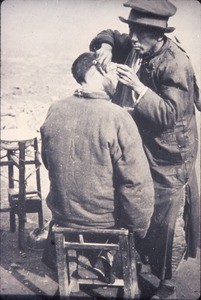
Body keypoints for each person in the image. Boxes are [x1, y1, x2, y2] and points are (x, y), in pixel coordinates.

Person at [89, 0, 200, 299]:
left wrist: (139, 88)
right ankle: (128, 258)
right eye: (132, 30)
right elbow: (111, 33)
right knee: (130, 197)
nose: (133, 38)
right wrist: (107, 46)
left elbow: (170, 115)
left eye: (139, 33)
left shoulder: (176, 62)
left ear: (158, 34)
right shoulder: (137, 44)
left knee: (163, 216)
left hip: (170, 152)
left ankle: (166, 281)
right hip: (144, 143)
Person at [40, 51, 154, 285]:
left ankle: (90, 259)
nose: (115, 79)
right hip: (103, 222)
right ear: (99, 71)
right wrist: (138, 230)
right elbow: (137, 183)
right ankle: (107, 259)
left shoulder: (55, 108)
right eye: (111, 71)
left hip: (62, 215)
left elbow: (47, 161)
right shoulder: (117, 116)